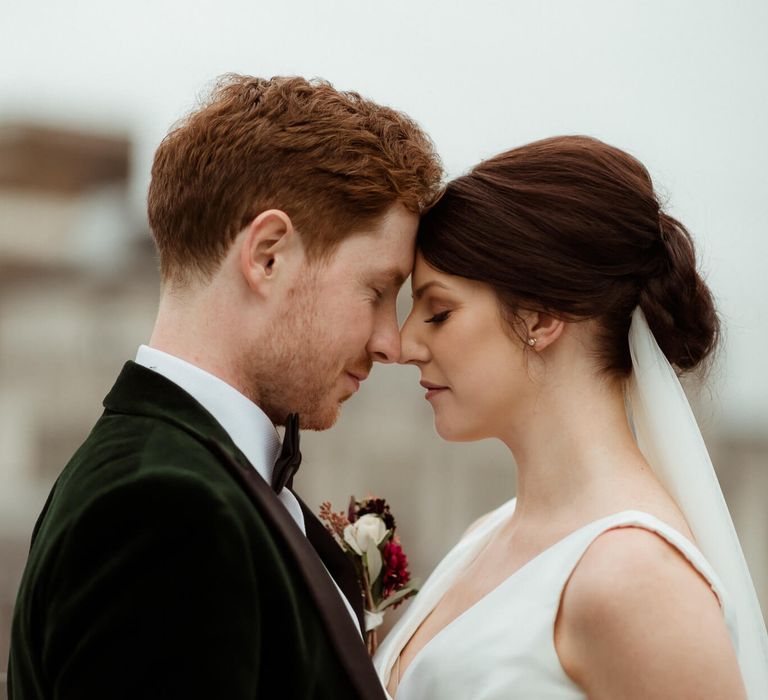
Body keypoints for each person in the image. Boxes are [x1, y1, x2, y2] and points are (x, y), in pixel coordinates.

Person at [8, 74, 442, 699]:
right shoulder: (166, 508)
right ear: (268, 255)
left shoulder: (182, 475)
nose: (390, 342)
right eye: (376, 291)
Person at [374, 136, 768, 699]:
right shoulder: (482, 538)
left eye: (438, 312)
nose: (405, 343)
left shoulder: (635, 579)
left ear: (540, 317)